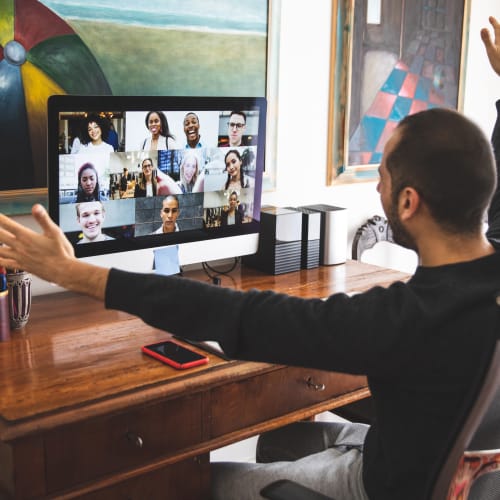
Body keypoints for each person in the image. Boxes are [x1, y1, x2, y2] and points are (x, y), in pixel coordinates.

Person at [0, 16, 499, 500]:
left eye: (384, 175)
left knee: (197, 484)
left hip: (378, 483)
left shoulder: (401, 323)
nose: (378, 184)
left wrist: (72, 272)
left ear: (409, 203)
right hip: (426, 457)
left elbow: (237, 314)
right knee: (281, 440)